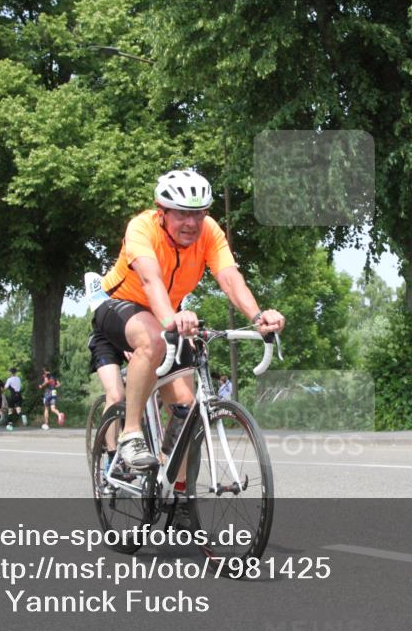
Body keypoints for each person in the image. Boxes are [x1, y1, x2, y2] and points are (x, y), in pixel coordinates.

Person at [89, 169, 285, 477]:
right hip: (120, 306)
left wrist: (258, 317)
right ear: (162, 212)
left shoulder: (209, 231)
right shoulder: (141, 227)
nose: (191, 223)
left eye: (198, 213)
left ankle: (174, 491)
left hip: (167, 314)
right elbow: (150, 280)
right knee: (153, 338)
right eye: (181, 214)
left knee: (186, 407)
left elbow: (230, 278)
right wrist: (170, 318)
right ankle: (130, 434)